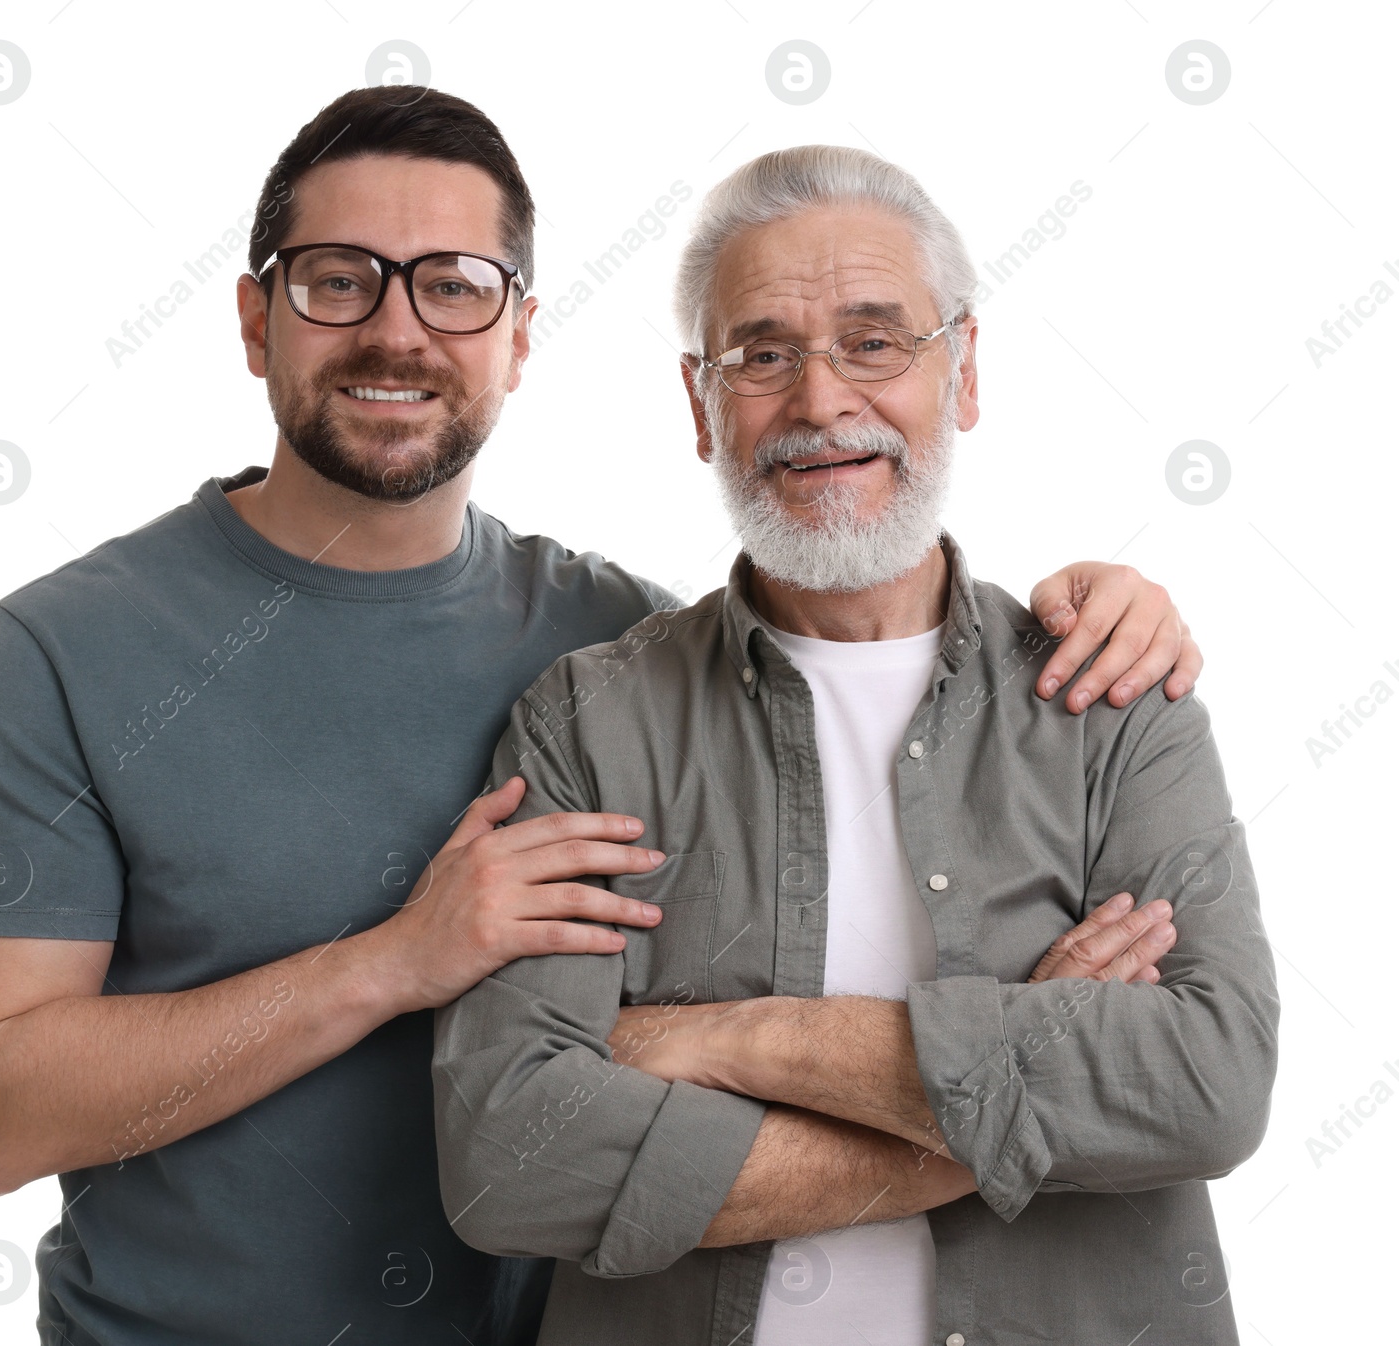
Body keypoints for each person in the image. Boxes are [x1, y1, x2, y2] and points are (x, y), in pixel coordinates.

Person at [0, 89, 1206, 1346]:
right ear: (257, 319)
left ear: (520, 336)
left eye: (456, 283)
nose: (397, 330)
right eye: (336, 278)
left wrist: (1101, 606)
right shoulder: (63, 650)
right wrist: (390, 961)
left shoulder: (611, 650)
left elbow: (853, 611)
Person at [432, 144, 1275, 1346]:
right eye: (763, 353)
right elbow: (509, 1158)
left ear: (964, 369)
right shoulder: (589, 720)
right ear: (698, 402)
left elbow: (1206, 1081)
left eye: (875, 341)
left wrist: (723, 1037)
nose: (822, 402)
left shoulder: (1114, 690)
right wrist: (1009, 1082)